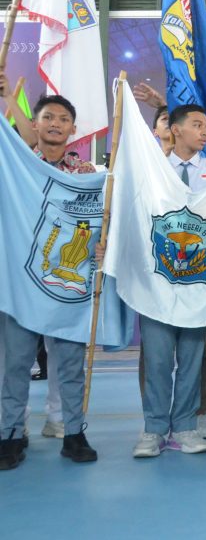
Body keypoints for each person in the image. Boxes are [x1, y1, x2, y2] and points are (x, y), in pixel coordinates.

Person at [0, 94, 99, 470]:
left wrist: (102, 244)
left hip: (65, 286)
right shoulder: (18, 167)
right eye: (47, 117)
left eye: (63, 118)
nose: (55, 123)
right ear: (34, 125)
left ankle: (73, 433)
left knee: (71, 366)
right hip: (21, 284)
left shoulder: (87, 172)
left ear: (74, 129)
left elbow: (99, 222)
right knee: (15, 365)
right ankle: (10, 435)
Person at [132, 104, 206, 458]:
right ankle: (154, 428)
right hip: (157, 282)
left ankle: (185, 426)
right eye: (197, 125)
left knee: (191, 357)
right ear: (176, 129)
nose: (204, 132)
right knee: (156, 359)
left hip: (197, 283)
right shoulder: (152, 171)